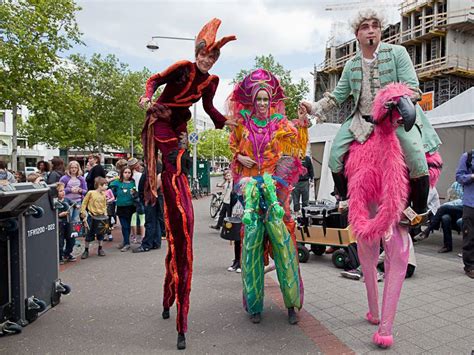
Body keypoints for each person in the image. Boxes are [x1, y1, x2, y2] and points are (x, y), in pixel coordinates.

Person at [138, 18, 236, 350]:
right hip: (162, 121)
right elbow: (155, 79)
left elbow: (209, 108)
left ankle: (173, 299)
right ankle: (166, 187)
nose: (207, 61)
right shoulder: (181, 67)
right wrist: (146, 95)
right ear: (197, 53)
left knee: (182, 230)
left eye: (212, 58)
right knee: (173, 165)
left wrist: (228, 122)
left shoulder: (212, 81)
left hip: (180, 124)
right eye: (204, 55)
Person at [300, 9, 441, 225]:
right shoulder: (351, 65)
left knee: (415, 155)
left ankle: (419, 212)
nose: (371, 31)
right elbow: (338, 96)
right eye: (365, 27)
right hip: (362, 121)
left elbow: (412, 88)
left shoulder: (398, 53)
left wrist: (399, 101)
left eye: (375, 26)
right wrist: (314, 107)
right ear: (357, 34)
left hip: (395, 119)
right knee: (336, 154)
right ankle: (346, 198)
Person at [228, 69, 309, 325]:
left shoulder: (279, 123)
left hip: (276, 190)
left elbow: (297, 146)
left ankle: (292, 304)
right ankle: (253, 305)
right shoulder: (242, 123)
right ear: (252, 101)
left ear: (271, 101)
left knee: (284, 246)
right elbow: (233, 149)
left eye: (266, 99)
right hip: (251, 188)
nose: (262, 104)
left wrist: (303, 123)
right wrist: (239, 157)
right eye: (258, 99)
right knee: (251, 246)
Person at [133, 161, 164, 252]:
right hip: (152, 197)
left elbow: (159, 177)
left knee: (150, 221)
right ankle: (155, 242)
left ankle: (147, 244)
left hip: (151, 197)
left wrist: (152, 192)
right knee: (154, 220)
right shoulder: (154, 164)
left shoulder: (155, 164)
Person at [455, 150, 474, 279]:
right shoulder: (468, 157)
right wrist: (472, 176)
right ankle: (469, 266)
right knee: (470, 235)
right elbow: (459, 177)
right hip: (471, 203)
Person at [80, 177, 108, 259]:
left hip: (101, 216)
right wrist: (83, 212)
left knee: (101, 233)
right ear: (100, 185)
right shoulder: (91, 193)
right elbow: (84, 202)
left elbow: (104, 204)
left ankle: (100, 248)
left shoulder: (104, 194)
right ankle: (86, 250)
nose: (107, 186)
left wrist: (105, 213)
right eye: (105, 185)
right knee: (89, 233)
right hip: (92, 216)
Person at [109, 167, 136, 252]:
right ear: (122, 173)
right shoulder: (117, 183)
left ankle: (126, 243)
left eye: (129, 172)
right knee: (124, 226)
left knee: (127, 226)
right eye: (125, 172)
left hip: (130, 206)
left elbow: (137, 192)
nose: (127, 174)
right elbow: (108, 185)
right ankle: (126, 242)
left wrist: (134, 193)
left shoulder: (133, 182)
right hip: (121, 206)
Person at [60, 161, 87, 226]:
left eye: (75, 167)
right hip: (67, 201)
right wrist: (70, 190)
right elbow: (60, 190)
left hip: (78, 201)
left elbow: (85, 191)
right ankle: (67, 234)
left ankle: (74, 234)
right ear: (69, 168)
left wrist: (80, 190)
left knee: (75, 219)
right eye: (72, 167)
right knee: (68, 218)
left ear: (78, 169)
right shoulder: (64, 178)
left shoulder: (81, 179)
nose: (74, 169)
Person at [56, 183, 76, 264]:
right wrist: (59, 215)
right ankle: (60, 256)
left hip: (68, 222)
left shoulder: (66, 199)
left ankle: (67, 253)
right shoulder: (55, 202)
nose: (63, 192)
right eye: (60, 191)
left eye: (63, 190)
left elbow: (73, 203)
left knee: (71, 239)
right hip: (60, 223)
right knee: (60, 241)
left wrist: (75, 205)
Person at [128, 158, 145, 243]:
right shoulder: (140, 175)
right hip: (140, 196)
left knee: (133, 218)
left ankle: (134, 237)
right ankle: (142, 237)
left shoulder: (129, 176)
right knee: (142, 218)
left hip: (131, 196)